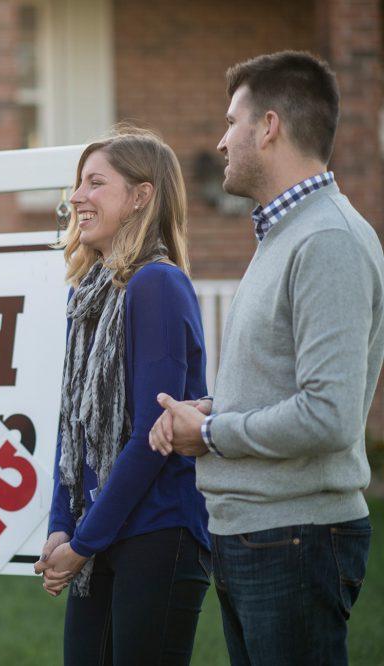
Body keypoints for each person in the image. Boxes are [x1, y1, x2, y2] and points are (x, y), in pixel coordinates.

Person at [150, 51, 384, 665]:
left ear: (270, 126)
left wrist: (212, 432)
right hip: (261, 536)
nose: (222, 141)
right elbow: (288, 388)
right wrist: (209, 412)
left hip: (294, 537)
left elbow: (329, 415)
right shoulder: (285, 234)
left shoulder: (326, 239)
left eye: (232, 122)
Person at [34, 128, 211, 665]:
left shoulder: (156, 285)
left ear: (141, 196)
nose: (78, 197)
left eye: (95, 183)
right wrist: (61, 527)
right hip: (100, 532)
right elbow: (75, 426)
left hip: (157, 532)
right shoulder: (88, 297)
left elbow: (149, 438)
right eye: (77, 184)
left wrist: (82, 542)